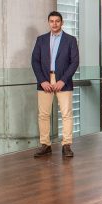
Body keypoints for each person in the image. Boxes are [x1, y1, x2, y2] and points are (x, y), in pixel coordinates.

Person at [31, 11, 80, 158]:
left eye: (57, 21)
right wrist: (42, 80)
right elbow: (35, 61)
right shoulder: (41, 40)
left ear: (62, 22)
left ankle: (66, 145)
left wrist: (63, 80)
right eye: (51, 21)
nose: (54, 23)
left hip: (63, 81)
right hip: (45, 80)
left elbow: (74, 62)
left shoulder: (70, 40)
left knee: (66, 114)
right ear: (48, 22)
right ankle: (45, 145)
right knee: (43, 115)